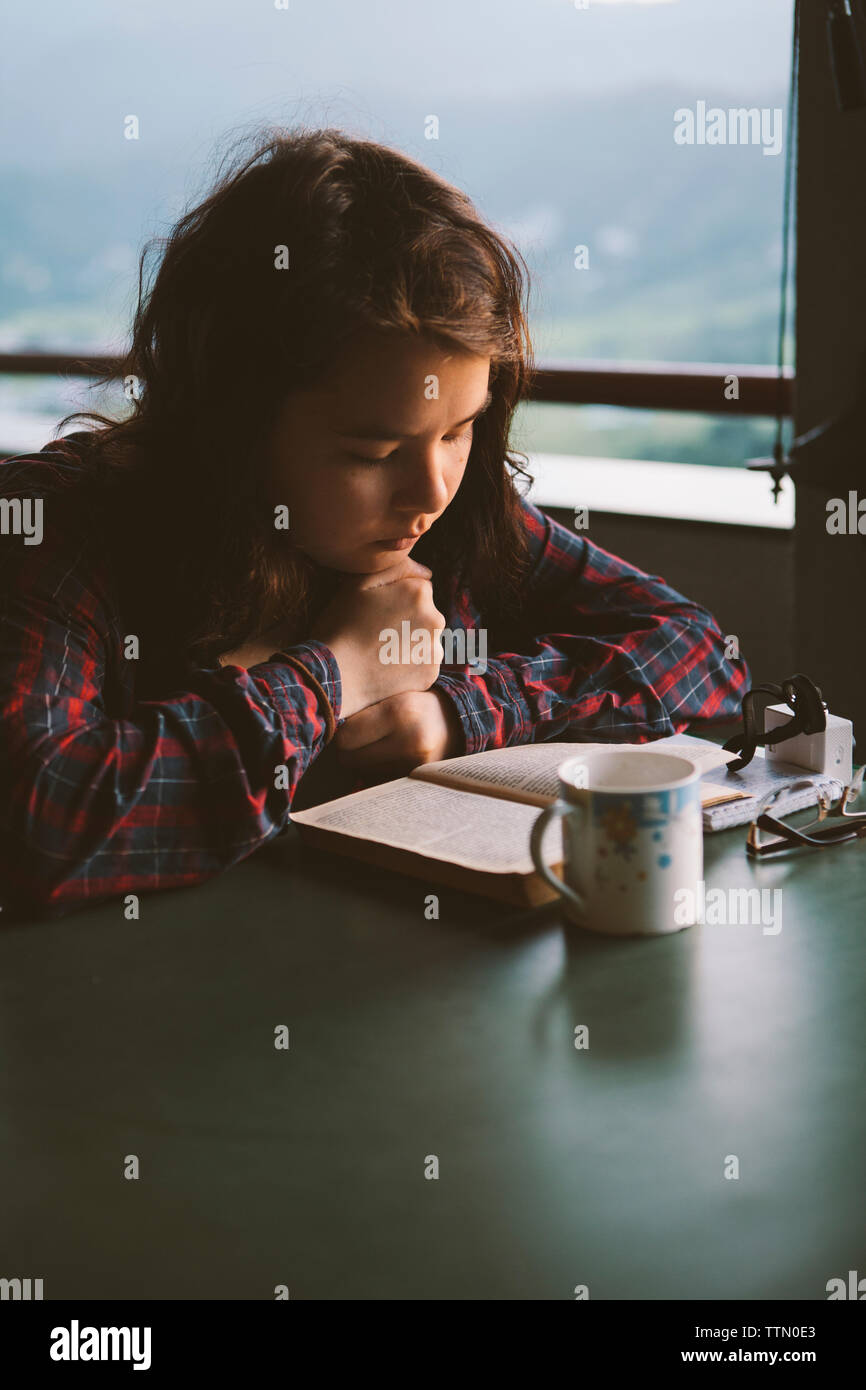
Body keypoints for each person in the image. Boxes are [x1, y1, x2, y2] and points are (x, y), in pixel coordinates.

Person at [0, 127, 749, 919]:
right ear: (232, 424)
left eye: (458, 432)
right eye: (372, 451)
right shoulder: (57, 526)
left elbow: (700, 653)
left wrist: (459, 713)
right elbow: (38, 818)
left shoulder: (461, 520)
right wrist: (334, 675)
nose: (429, 491)